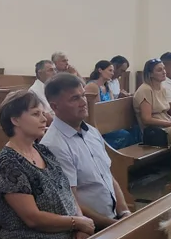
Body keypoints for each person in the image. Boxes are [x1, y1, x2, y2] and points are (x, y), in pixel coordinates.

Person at [0, 90, 93, 239]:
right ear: (15, 120)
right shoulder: (7, 163)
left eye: (43, 113)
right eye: (36, 114)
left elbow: (67, 192)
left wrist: (81, 227)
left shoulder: (43, 151)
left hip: (66, 236)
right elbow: (33, 218)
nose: (44, 119)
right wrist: (77, 222)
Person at [41, 73, 132, 230]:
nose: (83, 102)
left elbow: (108, 176)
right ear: (55, 107)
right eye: (74, 99)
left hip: (113, 220)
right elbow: (70, 200)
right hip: (90, 228)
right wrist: (113, 225)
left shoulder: (91, 132)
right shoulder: (53, 145)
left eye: (83, 96)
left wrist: (124, 212)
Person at [133, 58, 171, 143]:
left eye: (164, 68)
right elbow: (147, 119)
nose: (164, 72)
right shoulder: (145, 90)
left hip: (166, 125)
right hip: (154, 132)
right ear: (151, 74)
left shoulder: (162, 88)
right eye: (159, 70)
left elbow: (165, 113)